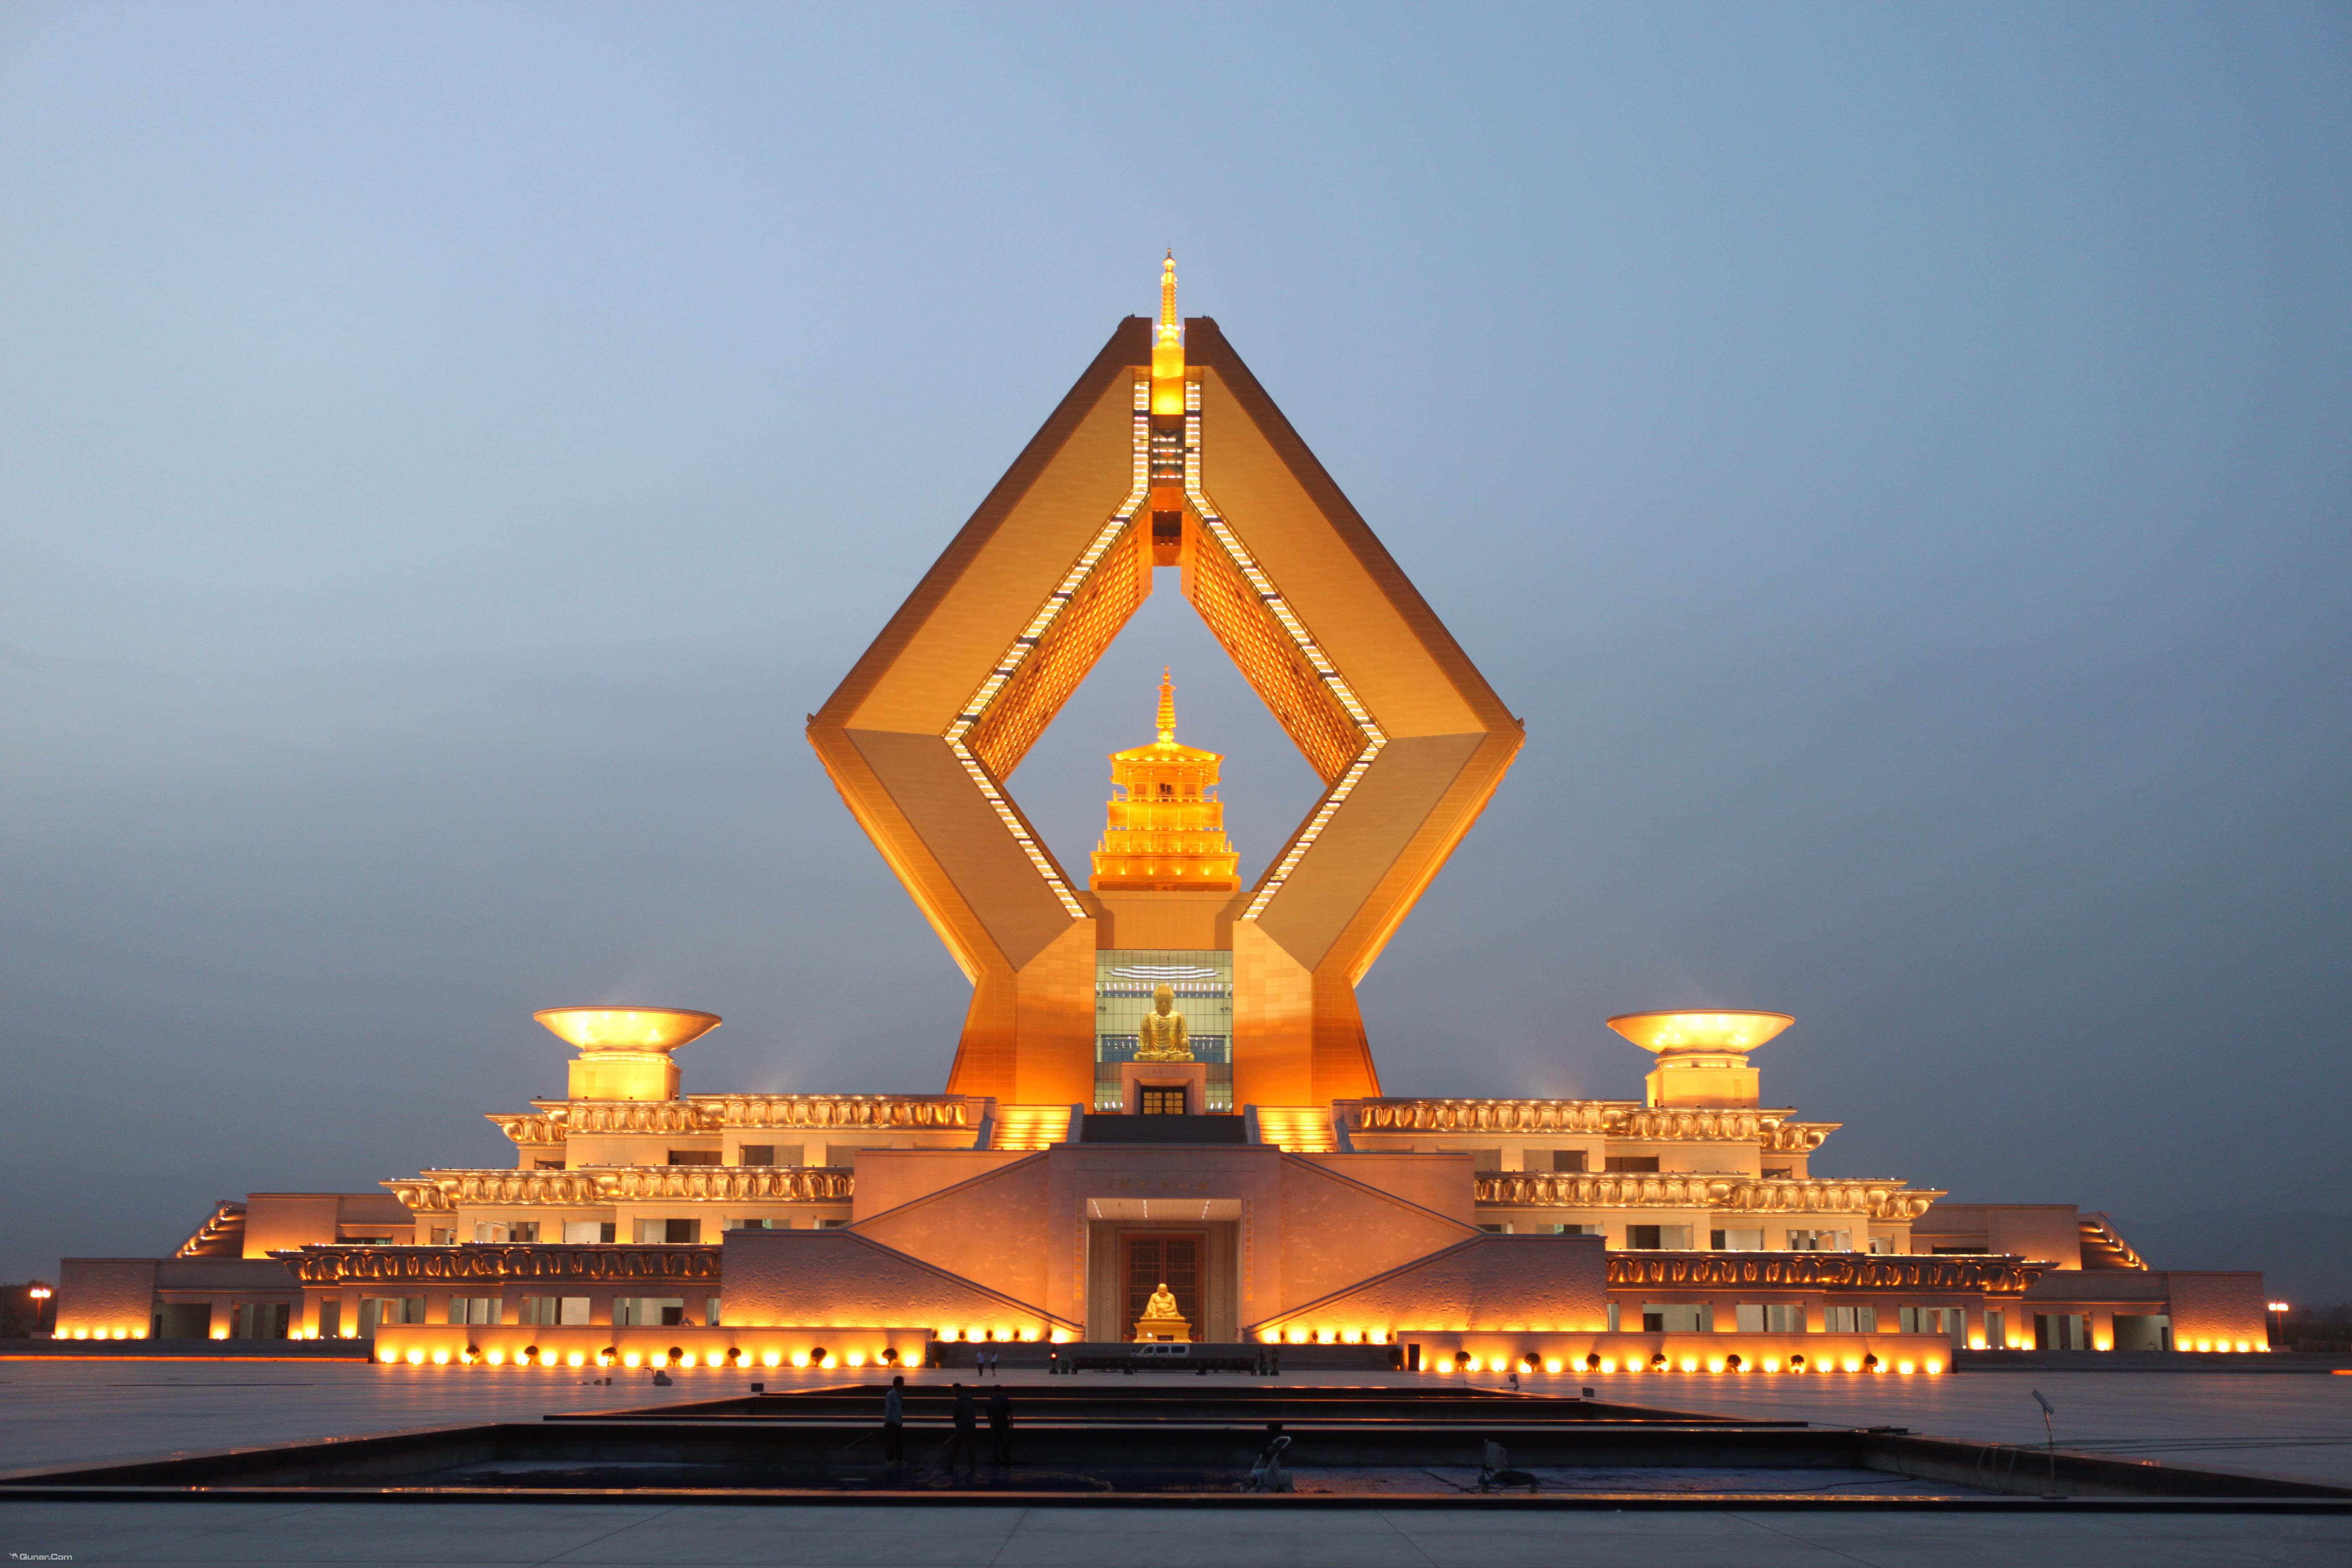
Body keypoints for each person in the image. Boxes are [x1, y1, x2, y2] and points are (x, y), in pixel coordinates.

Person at [949, 1382, 978, 1478]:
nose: (953, 1393)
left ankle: (951, 1465)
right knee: (971, 1449)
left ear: (957, 1390)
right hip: (971, 1427)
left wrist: (958, 1426)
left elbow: (955, 1417)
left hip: (961, 1428)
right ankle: (972, 1467)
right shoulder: (970, 1399)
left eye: (953, 1391)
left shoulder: (956, 1402)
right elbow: (974, 1414)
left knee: (955, 1447)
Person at [882, 1375, 905, 1470]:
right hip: (892, 1423)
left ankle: (900, 1459)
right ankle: (890, 1461)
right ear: (898, 1384)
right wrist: (888, 1420)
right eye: (902, 1384)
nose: (904, 1386)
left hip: (898, 1422)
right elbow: (889, 1409)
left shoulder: (900, 1395)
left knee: (899, 1442)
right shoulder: (890, 1395)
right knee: (891, 1442)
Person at [988, 1382, 1013, 1467]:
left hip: (995, 1422)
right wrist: (1011, 1422)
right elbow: (1010, 1412)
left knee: (995, 1444)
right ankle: (1007, 1461)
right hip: (1004, 1422)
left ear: (994, 1391)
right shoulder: (1006, 1399)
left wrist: (992, 1422)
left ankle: (997, 1462)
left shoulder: (991, 1400)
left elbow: (988, 1415)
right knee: (1005, 1443)